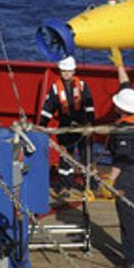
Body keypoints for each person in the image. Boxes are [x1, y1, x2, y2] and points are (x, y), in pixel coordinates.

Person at [103, 48, 134, 268]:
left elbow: (121, 160)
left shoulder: (122, 131)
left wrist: (108, 181)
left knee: (128, 216)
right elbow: (126, 86)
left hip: (128, 173)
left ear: (121, 108)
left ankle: (133, 261)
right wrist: (119, 65)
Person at [39, 56, 96, 200]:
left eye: (68, 71)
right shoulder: (55, 88)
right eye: (63, 71)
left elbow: (89, 107)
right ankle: (66, 185)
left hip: (82, 125)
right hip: (65, 126)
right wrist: (42, 125)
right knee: (66, 158)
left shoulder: (82, 86)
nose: (66, 74)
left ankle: (90, 185)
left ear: (74, 71)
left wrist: (90, 124)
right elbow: (48, 108)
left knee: (86, 156)